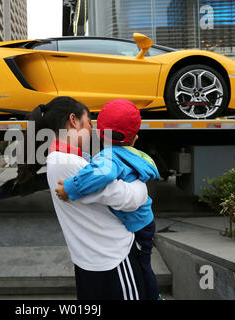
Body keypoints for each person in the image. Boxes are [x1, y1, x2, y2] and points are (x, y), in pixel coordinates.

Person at [18, 96, 149, 300]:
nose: (91, 130)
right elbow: (130, 199)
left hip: (91, 259)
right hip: (113, 257)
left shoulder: (60, 158)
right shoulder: (70, 164)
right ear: (73, 120)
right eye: (89, 122)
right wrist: (143, 181)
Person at [55, 99, 161, 300]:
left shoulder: (109, 157)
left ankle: (153, 296)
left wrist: (71, 188)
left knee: (143, 267)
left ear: (99, 131)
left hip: (137, 225)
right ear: (135, 137)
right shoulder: (134, 154)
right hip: (146, 220)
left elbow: (102, 174)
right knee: (145, 263)